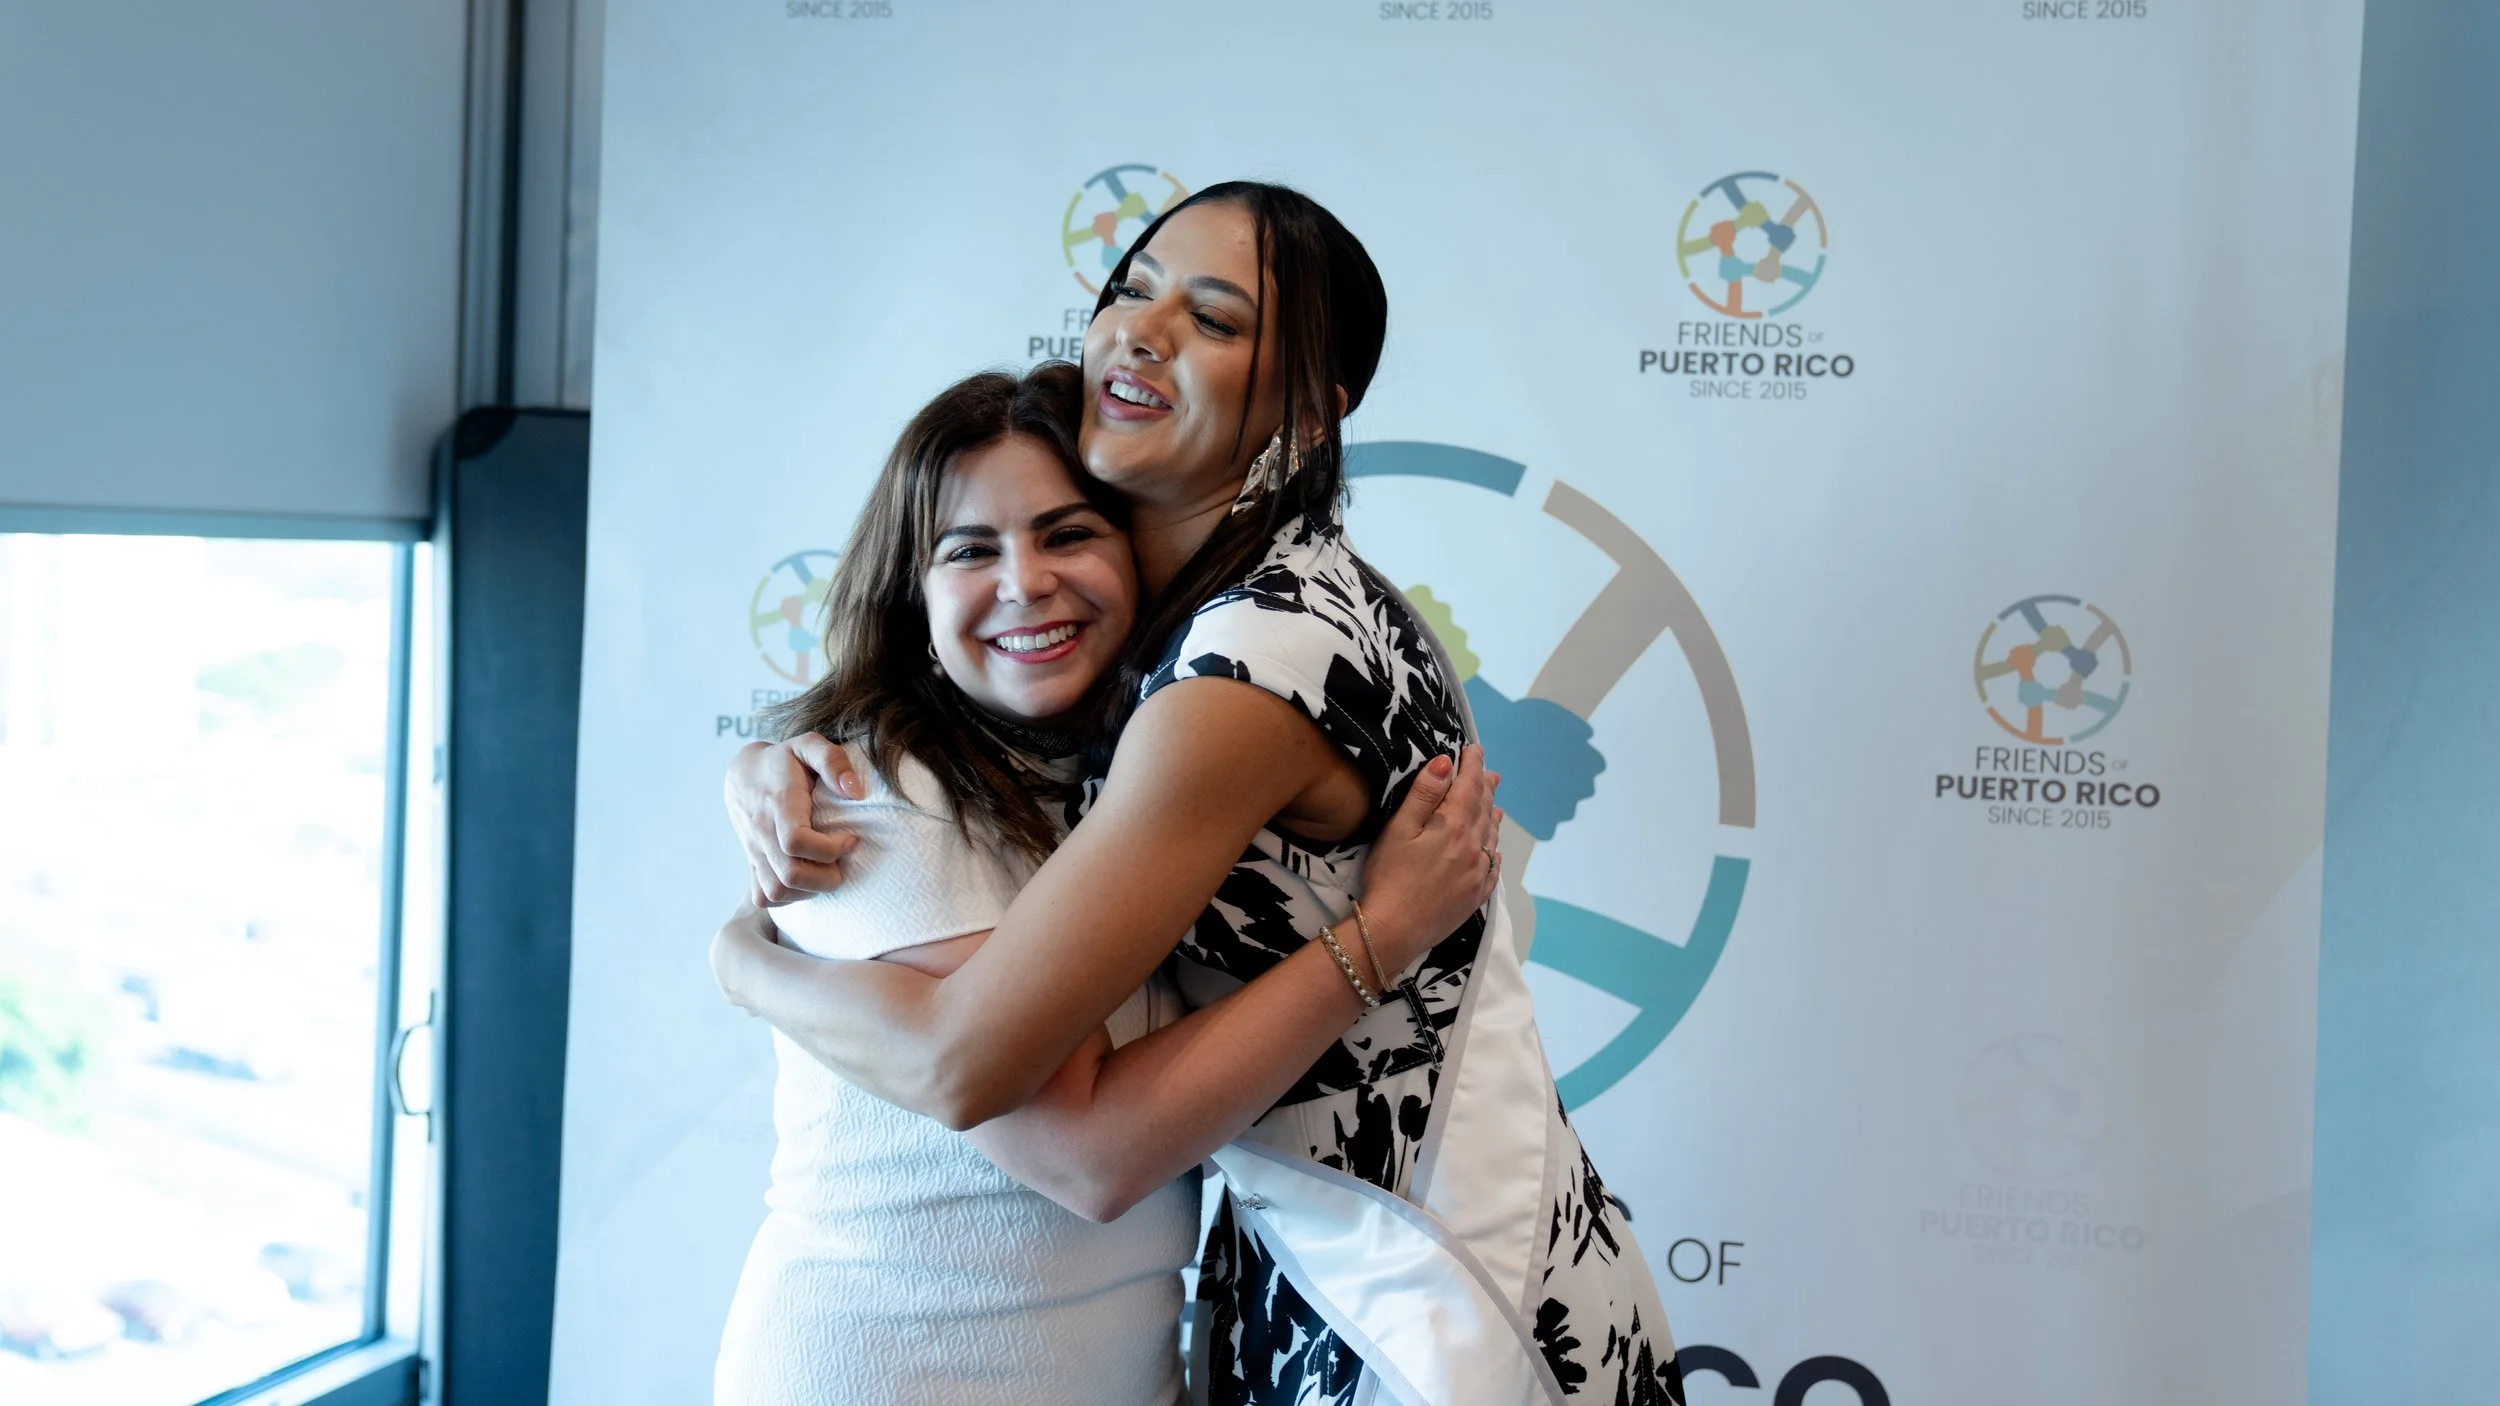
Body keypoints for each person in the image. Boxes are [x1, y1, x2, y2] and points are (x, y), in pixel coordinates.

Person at [718, 182, 1683, 1404]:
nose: (1142, 329)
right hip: (1383, 1253)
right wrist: (770, 763)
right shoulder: (1267, 605)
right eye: (1131, 288)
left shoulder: (1246, 664)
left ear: (1309, 411)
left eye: (1215, 319)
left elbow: (980, 1076)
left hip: (1423, 1290)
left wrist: (742, 957)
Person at [710, 362, 1502, 1406]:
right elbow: (1090, 1155)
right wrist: (1383, 931)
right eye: (969, 551)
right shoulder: (871, 791)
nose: (1024, 581)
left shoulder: (1135, 776)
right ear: (914, 594)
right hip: (884, 1369)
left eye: (1067, 532)